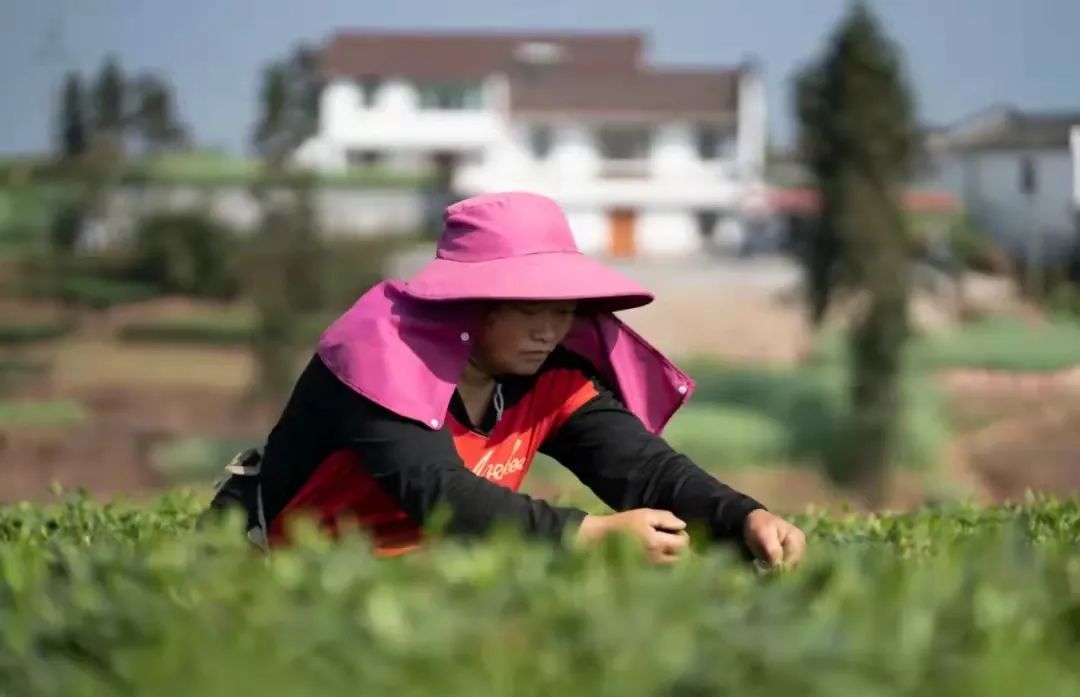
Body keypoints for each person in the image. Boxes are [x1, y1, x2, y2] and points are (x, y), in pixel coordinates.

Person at [205, 192, 806, 568]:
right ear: (469, 304)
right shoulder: (378, 365)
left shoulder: (549, 375)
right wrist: (590, 534)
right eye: (527, 308)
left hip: (423, 581)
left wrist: (742, 518)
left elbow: (643, 469)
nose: (549, 329)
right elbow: (438, 493)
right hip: (273, 572)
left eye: (563, 309)